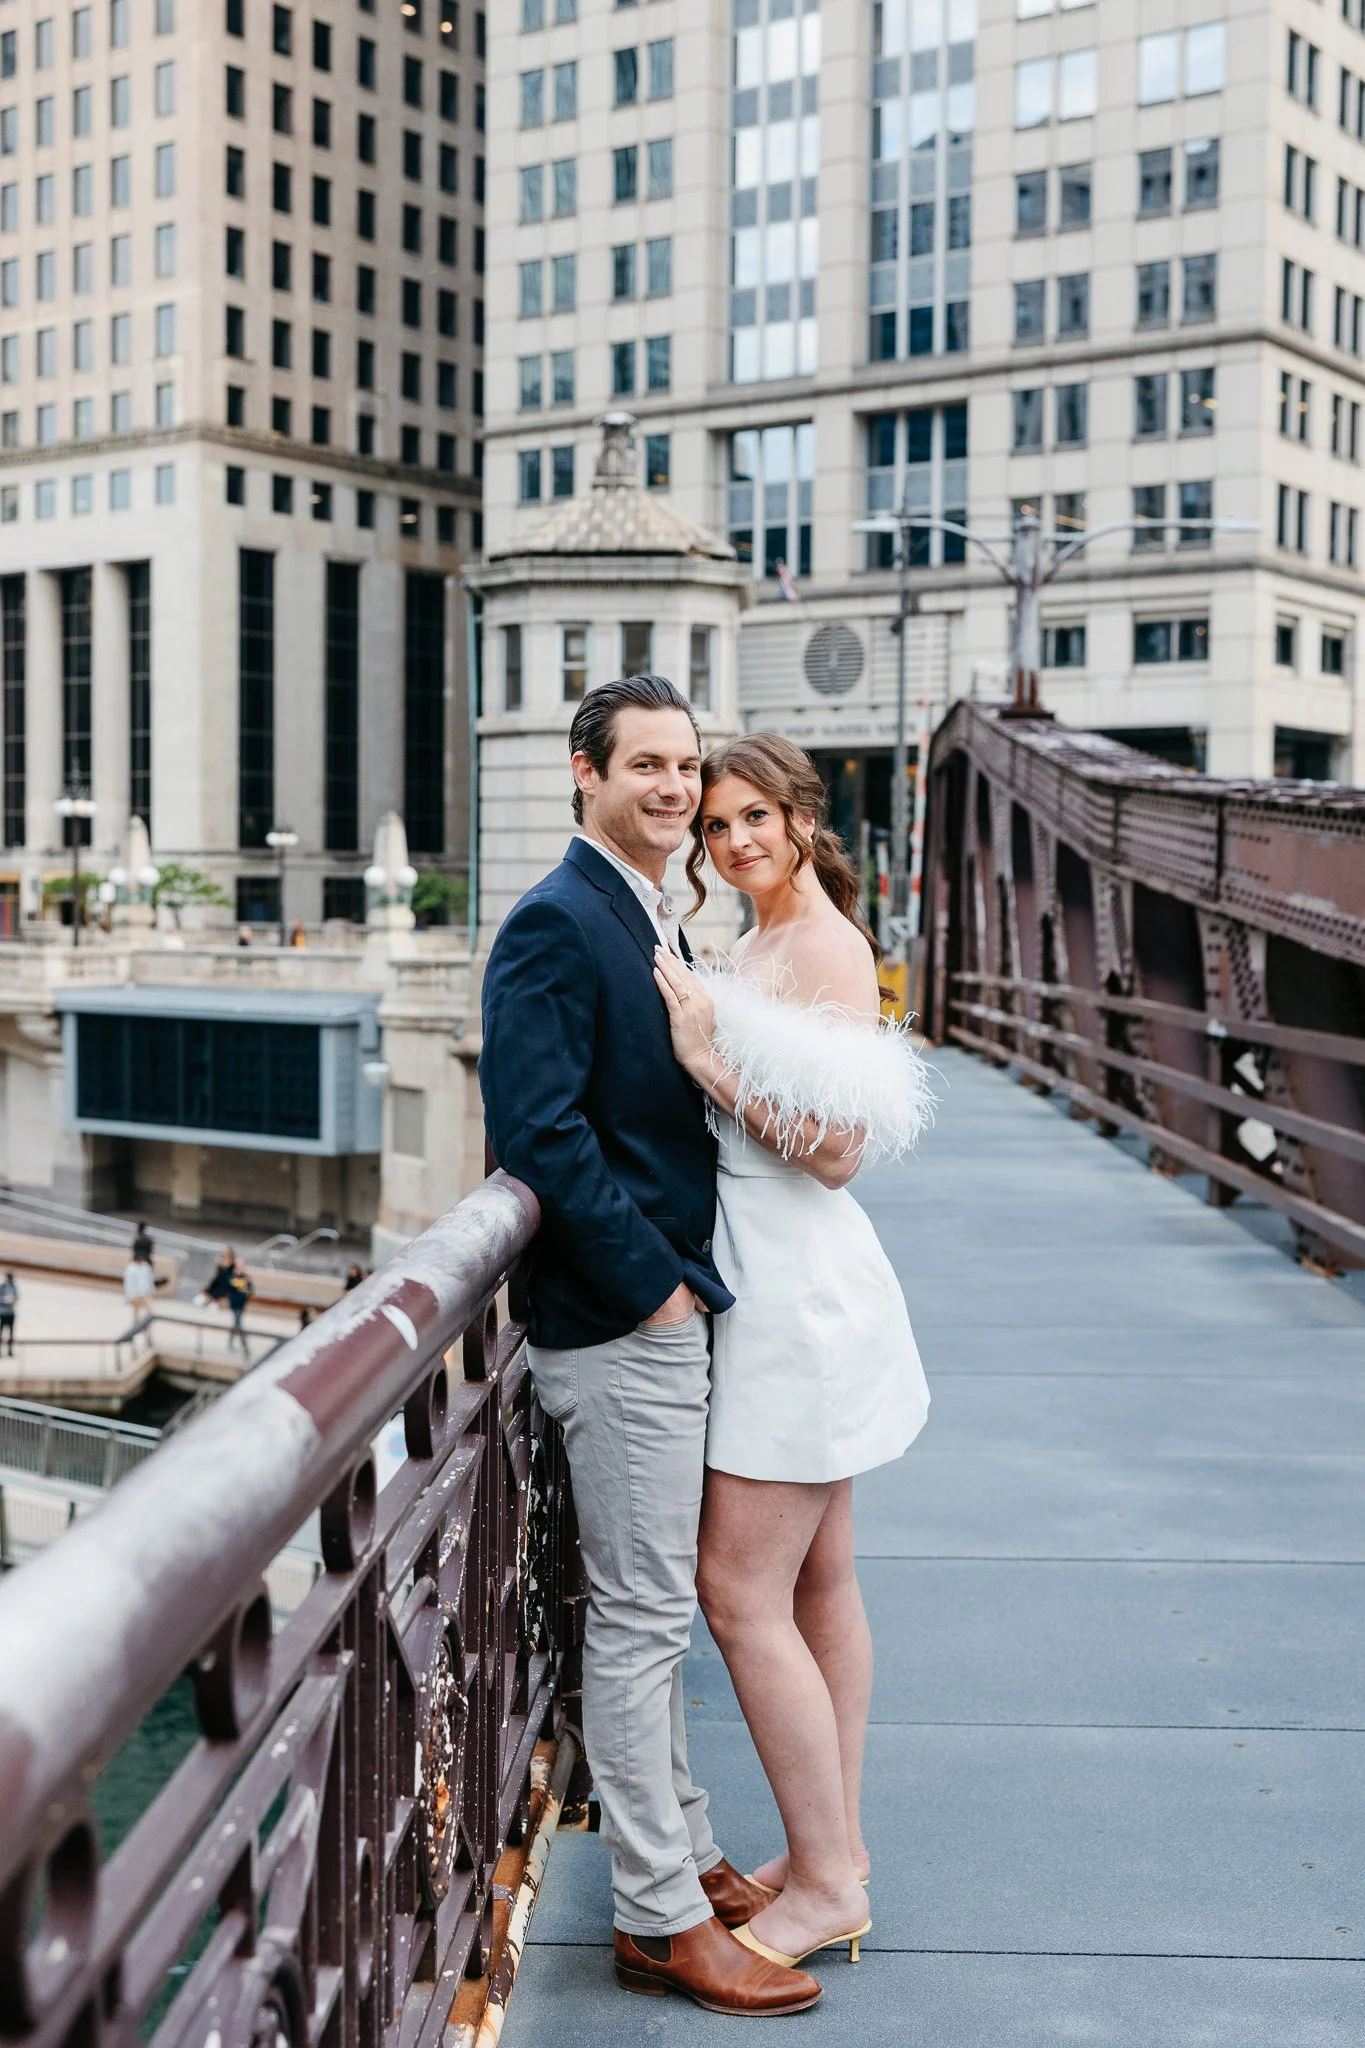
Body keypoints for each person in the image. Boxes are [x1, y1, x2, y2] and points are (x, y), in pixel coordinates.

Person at [480, 674, 821, 2019]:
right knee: (637, 1620)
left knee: (651, 1613)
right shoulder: (556, 921)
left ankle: (688, 1853)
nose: (677, 788)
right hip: (622, 1324)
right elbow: (540, 1129)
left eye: (687, 765)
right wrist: (656, 1291)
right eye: (648, 767)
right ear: (587, 773)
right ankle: (658, 1917)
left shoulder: (646, 908)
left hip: (659, 1310)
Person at [651, 732, 933, 1970]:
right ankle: (837, 1849)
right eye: (716, 826)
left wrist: (708, 1062)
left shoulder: (822, 945)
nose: (733, 841)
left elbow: (835, 1151)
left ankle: (823, 1882)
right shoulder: (758, 940)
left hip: (798, 1299)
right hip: (776, 1284)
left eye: (754, 816)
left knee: (736, 1589)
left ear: (802, 816)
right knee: (819, 1582)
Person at [226, 1263, 253, 1355]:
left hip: (241, 1305)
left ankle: (232, 1344)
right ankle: (243, 1346)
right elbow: (227, 1289)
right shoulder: (231, 1278)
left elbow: (251, 1290)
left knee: (237, 1324)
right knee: (238, 1324)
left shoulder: (246, 1278)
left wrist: (246, 1295)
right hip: (234, 1304)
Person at [123, 1251, 157, 1323]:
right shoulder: (131, 1268)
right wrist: (129, 1296)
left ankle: (148, 1321)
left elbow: (150, 1279)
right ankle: (136, 1323)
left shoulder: (146, 1266)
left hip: (145, 1292)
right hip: (135, 1294)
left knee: (150, 1308)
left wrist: (152, 1290)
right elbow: (128, 1283)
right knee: (136, 1310)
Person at [0, 1271, 17, 1354]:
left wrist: (13, 1299)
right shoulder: (2, 1287)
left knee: (11, 1333)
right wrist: (5, 1300)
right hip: (3, 1313)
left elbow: (17, 1296)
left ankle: (9, 1350)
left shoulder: (13, 1287)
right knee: (1, 1332)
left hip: (10, 1312)